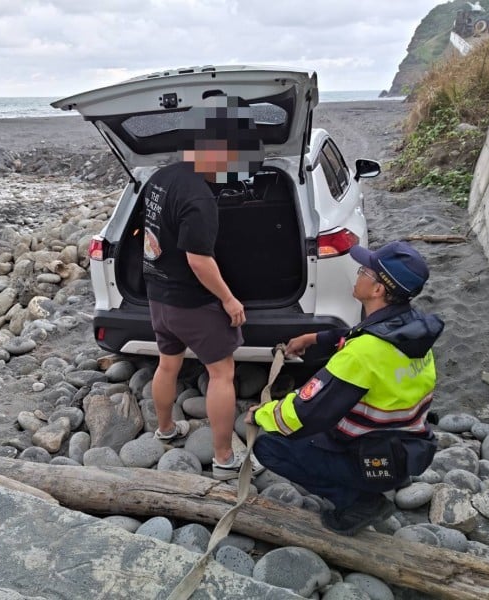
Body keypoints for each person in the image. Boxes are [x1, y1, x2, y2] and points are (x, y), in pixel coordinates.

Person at [247, 241, 444, 535]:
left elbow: (304, 413)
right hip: (405, 445)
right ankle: (379, 480)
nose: (358, 273)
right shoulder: (411, 329)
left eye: (365, 270)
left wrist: (262, 414)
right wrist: (314, 338)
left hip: (372, 456)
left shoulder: (363, 355)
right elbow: (357, 336)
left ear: (378, 290)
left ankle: (359, 502)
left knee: (269, 446)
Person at [144, 94, 265, 480]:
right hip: (192, 301)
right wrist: (228, 299)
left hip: (158, 295)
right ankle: (225, 459)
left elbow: (150, 237)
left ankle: (165, 430)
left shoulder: (161, 178)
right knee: (222, 374)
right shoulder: (200, 197)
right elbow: (198, 259)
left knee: (167, 363)